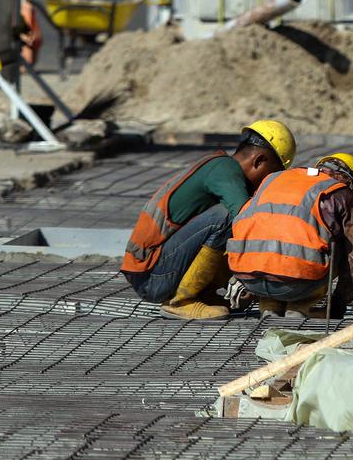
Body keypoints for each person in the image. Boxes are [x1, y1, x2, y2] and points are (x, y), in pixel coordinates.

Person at [120, 120, 297, 320]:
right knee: (228, 217)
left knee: (233, 230)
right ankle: (180, 302)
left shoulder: (222, 169)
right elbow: (245, 220)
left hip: (156, 271)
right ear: (259, 160)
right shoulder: (224, 169)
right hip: (150, 277)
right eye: (271, 175)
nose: (267, 183)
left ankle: (200, 293)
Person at [226, 152, 353, 319]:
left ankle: (270, 306)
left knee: (274, 241)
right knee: (342, 247)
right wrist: (339, 303)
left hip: (247, 277)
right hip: (298, 284)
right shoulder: (342, 193)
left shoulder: (275, 178)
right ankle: (299, 307)